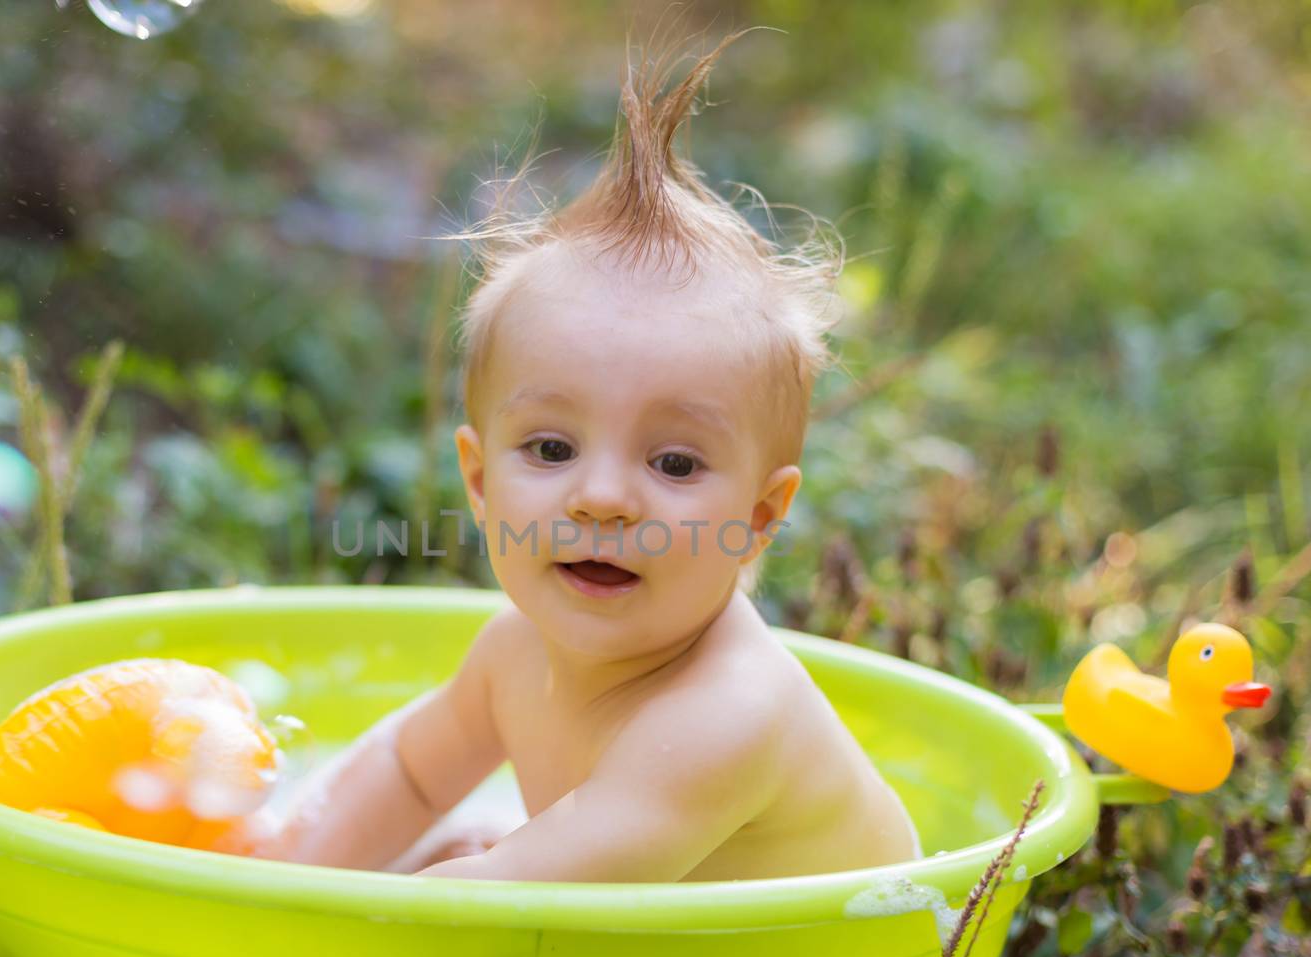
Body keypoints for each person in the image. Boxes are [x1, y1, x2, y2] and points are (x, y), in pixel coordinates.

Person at [227, 30, 921, 882]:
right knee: (450, 842)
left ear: (759, 516)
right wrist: (264, 870)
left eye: (673, 464)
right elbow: (405, 773)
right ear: (479, 482)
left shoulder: (725, 716)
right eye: (551, 447)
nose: (602, 498)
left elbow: (496, 908)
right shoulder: (511, 653)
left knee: (463, 866)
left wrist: (401, 894)